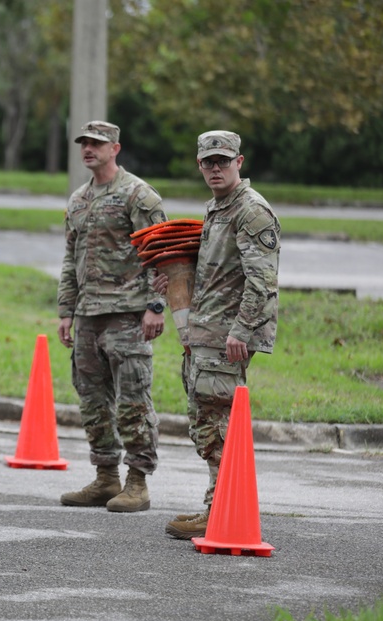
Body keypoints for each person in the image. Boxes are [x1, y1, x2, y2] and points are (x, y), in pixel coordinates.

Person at [158, 131, 280, 539]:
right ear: (199, 165)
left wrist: (242, 330)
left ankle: (224, 508)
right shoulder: (217, 208)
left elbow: (262, 281)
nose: (215, 168)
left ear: (239, 162)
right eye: (208, 162)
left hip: (228, 336)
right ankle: (216, 502)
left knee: (220, 423)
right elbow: (217, 272)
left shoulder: (251, 211)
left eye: (222, 161)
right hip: (205, 332)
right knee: (205, 422)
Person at [56, 121, 169, 513]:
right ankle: (106, 477)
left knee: (132, 401)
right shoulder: (78, 199)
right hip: (88, 315)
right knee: (92, 401)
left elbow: (162, 253)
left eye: (96, 143)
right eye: (84, 143)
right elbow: (71, 258)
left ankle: (137, 482)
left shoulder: (138, 195)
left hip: (127, 315)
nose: (88, 149)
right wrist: (66, 311)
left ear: (115, 148)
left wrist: (156, 305)